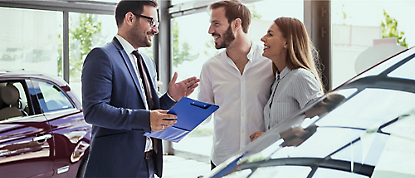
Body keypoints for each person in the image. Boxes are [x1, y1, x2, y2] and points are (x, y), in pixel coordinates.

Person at [81, 0, 199, 177]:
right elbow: (94, 111)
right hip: (115, 169)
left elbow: (149, 110)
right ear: (130, 18)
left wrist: (170, 98)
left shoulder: (147, 63)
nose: (156, 29)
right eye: (151, 22)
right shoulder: (102, 56)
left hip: (148, 166)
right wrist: (146, 119)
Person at [198, 0, 275, 169]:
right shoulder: (210, 67)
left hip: (261, 160)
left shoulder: (269, 63)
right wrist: (180, 102)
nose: (210, 31)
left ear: (236, 24)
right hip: (222, 161)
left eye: (216, 24)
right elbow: (202, 116)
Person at [250, 17, 325, 142]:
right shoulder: (277, 81)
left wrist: (270, 137)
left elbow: (318, 123)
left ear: (287, 42)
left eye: (270, 34)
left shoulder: (301, 77)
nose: (263, 38)